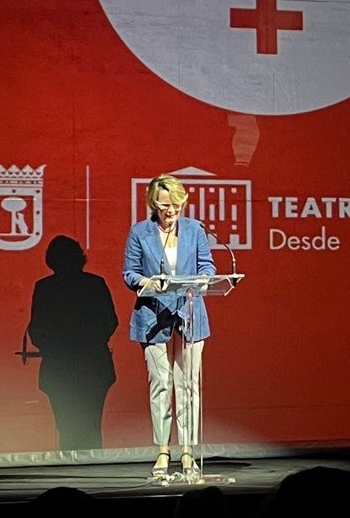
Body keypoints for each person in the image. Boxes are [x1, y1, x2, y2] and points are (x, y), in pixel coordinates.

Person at [122, 173, 215, 479]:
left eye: (175, 205)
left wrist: (202, 280)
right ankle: (163, 449)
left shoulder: (195, 230)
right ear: (153, 204)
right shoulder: (140, 232)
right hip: (153, 315)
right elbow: (130, 273)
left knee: (188, 386)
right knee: (161, 384)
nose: (170, 211)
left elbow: (207, 266)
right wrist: (147, 281)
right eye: (164, 206)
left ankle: (188, 450)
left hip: (189, 313)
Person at [27, 235, 118, 450]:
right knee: (91, 425)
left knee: (66, 426)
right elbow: (110, 322)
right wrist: (90, 342)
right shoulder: (95, 284)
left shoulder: (45, 287)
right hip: (92, 364)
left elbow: (36, 328)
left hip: (60, 365)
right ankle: (93, 473)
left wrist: (53, 348)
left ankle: (71, 471)